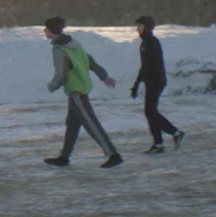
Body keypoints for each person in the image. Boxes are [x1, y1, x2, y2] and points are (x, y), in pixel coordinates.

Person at [39, 16, 124, 168]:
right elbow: (90, 61)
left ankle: (113, 154)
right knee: (72, 124)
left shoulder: (59, 50)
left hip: (77, 91)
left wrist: (52, 86)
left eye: (46, 28)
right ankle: (64, 157)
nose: (44, 31)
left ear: (51, 31)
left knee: (91, 123)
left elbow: (61, 74)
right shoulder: (74, 44)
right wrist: (104, 76)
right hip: (79, 90)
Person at [134, 15, 184, 154]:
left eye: (140, 26)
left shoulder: (152, 42)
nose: (137, 29)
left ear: (147, 28)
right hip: (151, 82)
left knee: (150, 112)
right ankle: (158, 143)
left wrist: (147, 80)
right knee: (150, 112)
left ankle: (174, 133)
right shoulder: (144, 43)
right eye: (137, 26)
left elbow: (152, 65)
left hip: (156, 82)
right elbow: (144, 66)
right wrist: (137, 84)